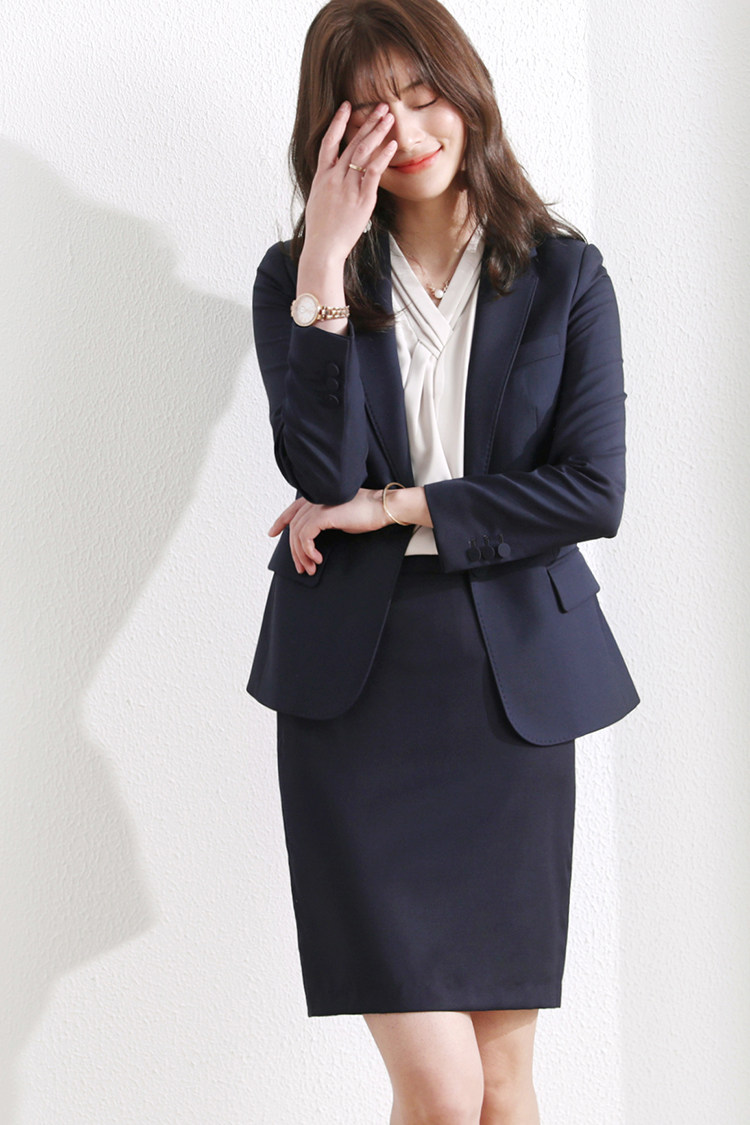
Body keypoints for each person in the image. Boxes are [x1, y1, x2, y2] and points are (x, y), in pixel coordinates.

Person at [247, 0, 639, 1121]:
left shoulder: (564, 275)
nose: (409, 132)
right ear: (331, 131)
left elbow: (591, 491)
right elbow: (318, 466)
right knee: (440, 1079)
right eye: (371, 111)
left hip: (507, 690)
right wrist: (327, 256)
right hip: (358, 693)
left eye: (423, 98)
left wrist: (394, 505)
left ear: (467, 97)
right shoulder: (299, 278)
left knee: (504, 1081)